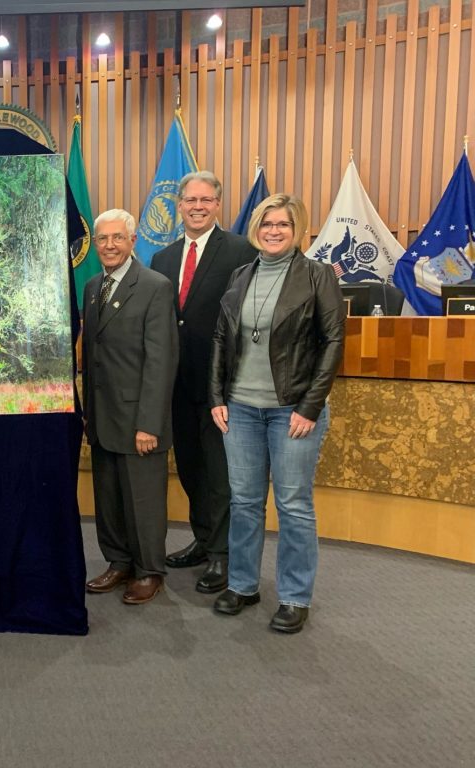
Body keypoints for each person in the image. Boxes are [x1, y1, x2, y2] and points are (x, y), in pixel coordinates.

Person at [209, 193, 345, 634]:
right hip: (242, 410)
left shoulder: (317, 275)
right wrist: (217, 396)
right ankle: (244, 585)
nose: (273, 231)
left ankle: (294, 596)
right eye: (267, 224)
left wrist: (310, 406)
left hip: (292, 412)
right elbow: (220, 339)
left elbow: (332, 344)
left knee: (293, 505)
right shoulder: (239, 275)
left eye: (283, 225)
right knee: (245, 502)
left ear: (297, 229)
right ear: (256, 228)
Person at [151, 171, 256, 594]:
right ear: (179, 205)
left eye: (206, 200)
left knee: (219, 471)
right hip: (175, 384)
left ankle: (222, 555)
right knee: (192, 468)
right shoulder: (161, 259)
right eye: (190, 200)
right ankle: (203, 538)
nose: (197, 206)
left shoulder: (241, 250)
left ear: (218, 204)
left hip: (221, 386)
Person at [82, 209, 178, 606]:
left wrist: (149, 423)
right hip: (103, 417)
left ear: (133, 241)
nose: (109, 246)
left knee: (143, 501)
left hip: (139, 420)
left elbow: (162, 359)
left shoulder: (155, 286)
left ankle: (149, 570)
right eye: (102, 239)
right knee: (108, 498)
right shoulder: (91, 286)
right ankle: (118, 561)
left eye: (117, 238)